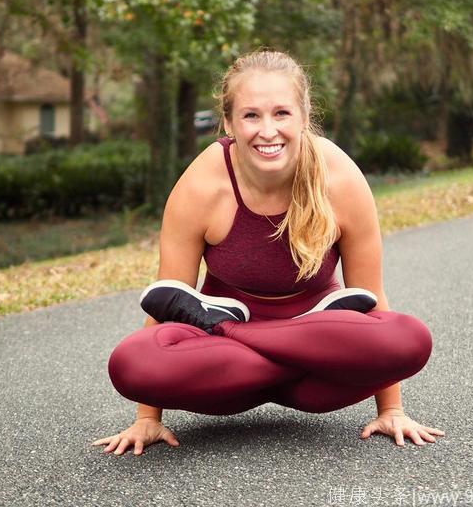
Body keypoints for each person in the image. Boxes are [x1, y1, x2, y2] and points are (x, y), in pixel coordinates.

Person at [93, 50, 444, 456]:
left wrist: (393, 409)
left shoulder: (339, 177)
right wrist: (147, 419)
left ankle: (230, 328)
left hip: (317, 351)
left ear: (303, 116)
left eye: (281, 113)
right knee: (132, 362)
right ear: (228, 123)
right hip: (237, 372)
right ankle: (232, 328)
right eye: (251, 116)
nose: (267, 131)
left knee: (409, 339)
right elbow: (168, 302)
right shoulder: (204, 184)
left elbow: (374, 303)